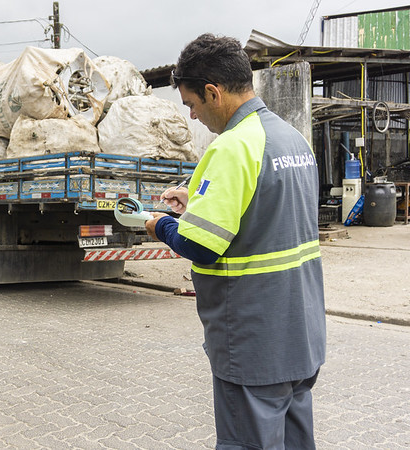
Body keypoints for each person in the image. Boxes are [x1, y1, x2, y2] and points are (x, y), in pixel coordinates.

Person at [144, 34, 326, 449]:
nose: (192, 116)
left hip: (254, 338)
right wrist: (198, 200)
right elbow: (268, 205)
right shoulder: (291, 138)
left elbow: (203, 245)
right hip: (300, 334)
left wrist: (160, 225)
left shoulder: (231, 147)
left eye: (192, 104)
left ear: (213, 91)